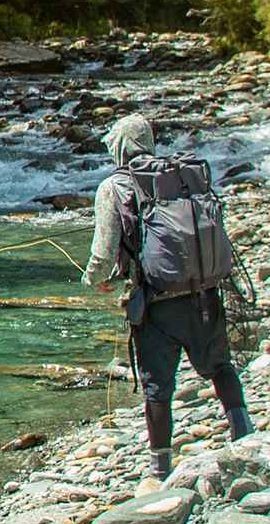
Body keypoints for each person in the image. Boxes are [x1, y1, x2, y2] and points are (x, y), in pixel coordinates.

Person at [84, 113, 254, 477]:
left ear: (119, 147)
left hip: (157, 304)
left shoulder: (114, 188)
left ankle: (160, 467)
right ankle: (244, 434)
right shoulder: (182, 177)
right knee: (220, 366)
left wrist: (94, 280)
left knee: (157, 386)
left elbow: (103, 252)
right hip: (205, 292)